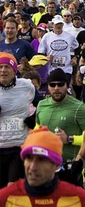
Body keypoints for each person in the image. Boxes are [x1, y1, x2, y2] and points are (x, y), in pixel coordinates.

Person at [0, 127, 85, 207]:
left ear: (56, 164)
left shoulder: (77, 199)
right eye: (29, 158)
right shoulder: (6, 198)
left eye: (41, 160)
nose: (32, 167)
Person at [35, 68, 85, 187]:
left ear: (67, 85)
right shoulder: (42, 105)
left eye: (60, 84)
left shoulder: (78, 107)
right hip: (45, 165)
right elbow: (36, 130)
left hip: (69, 168)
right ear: (48, 86)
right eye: (52, 84)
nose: (56, 88)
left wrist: (69, 139)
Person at [0, 53, 38, 187]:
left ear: (14, 69)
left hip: (19, 147)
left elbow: (43, 105)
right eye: (0, 67)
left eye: (7, 67)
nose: (3, 70)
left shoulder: (26, 86)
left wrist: (34, 118)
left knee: (13, 188)